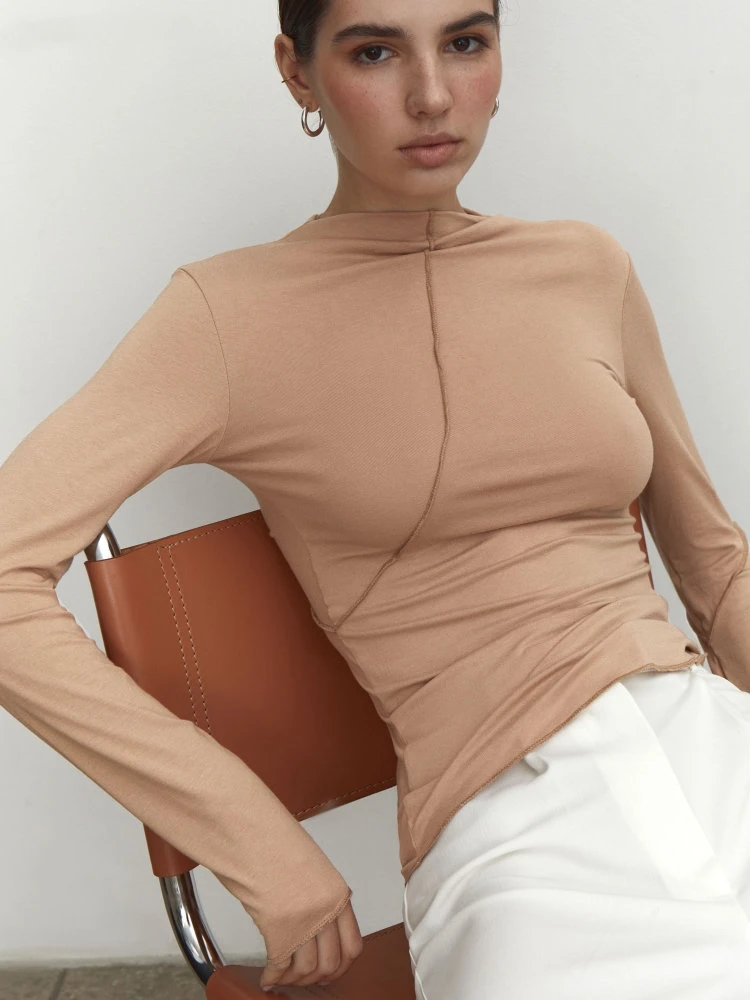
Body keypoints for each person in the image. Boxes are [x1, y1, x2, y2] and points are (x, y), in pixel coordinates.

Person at [1, 0, 749, 996]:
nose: (433, 95)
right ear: (297, 70)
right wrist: (253, 838)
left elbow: (713, 566)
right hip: (508, 830)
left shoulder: (586, 268)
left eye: (466, 43)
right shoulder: (227, 317)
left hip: (709, 743)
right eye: (374, 51)